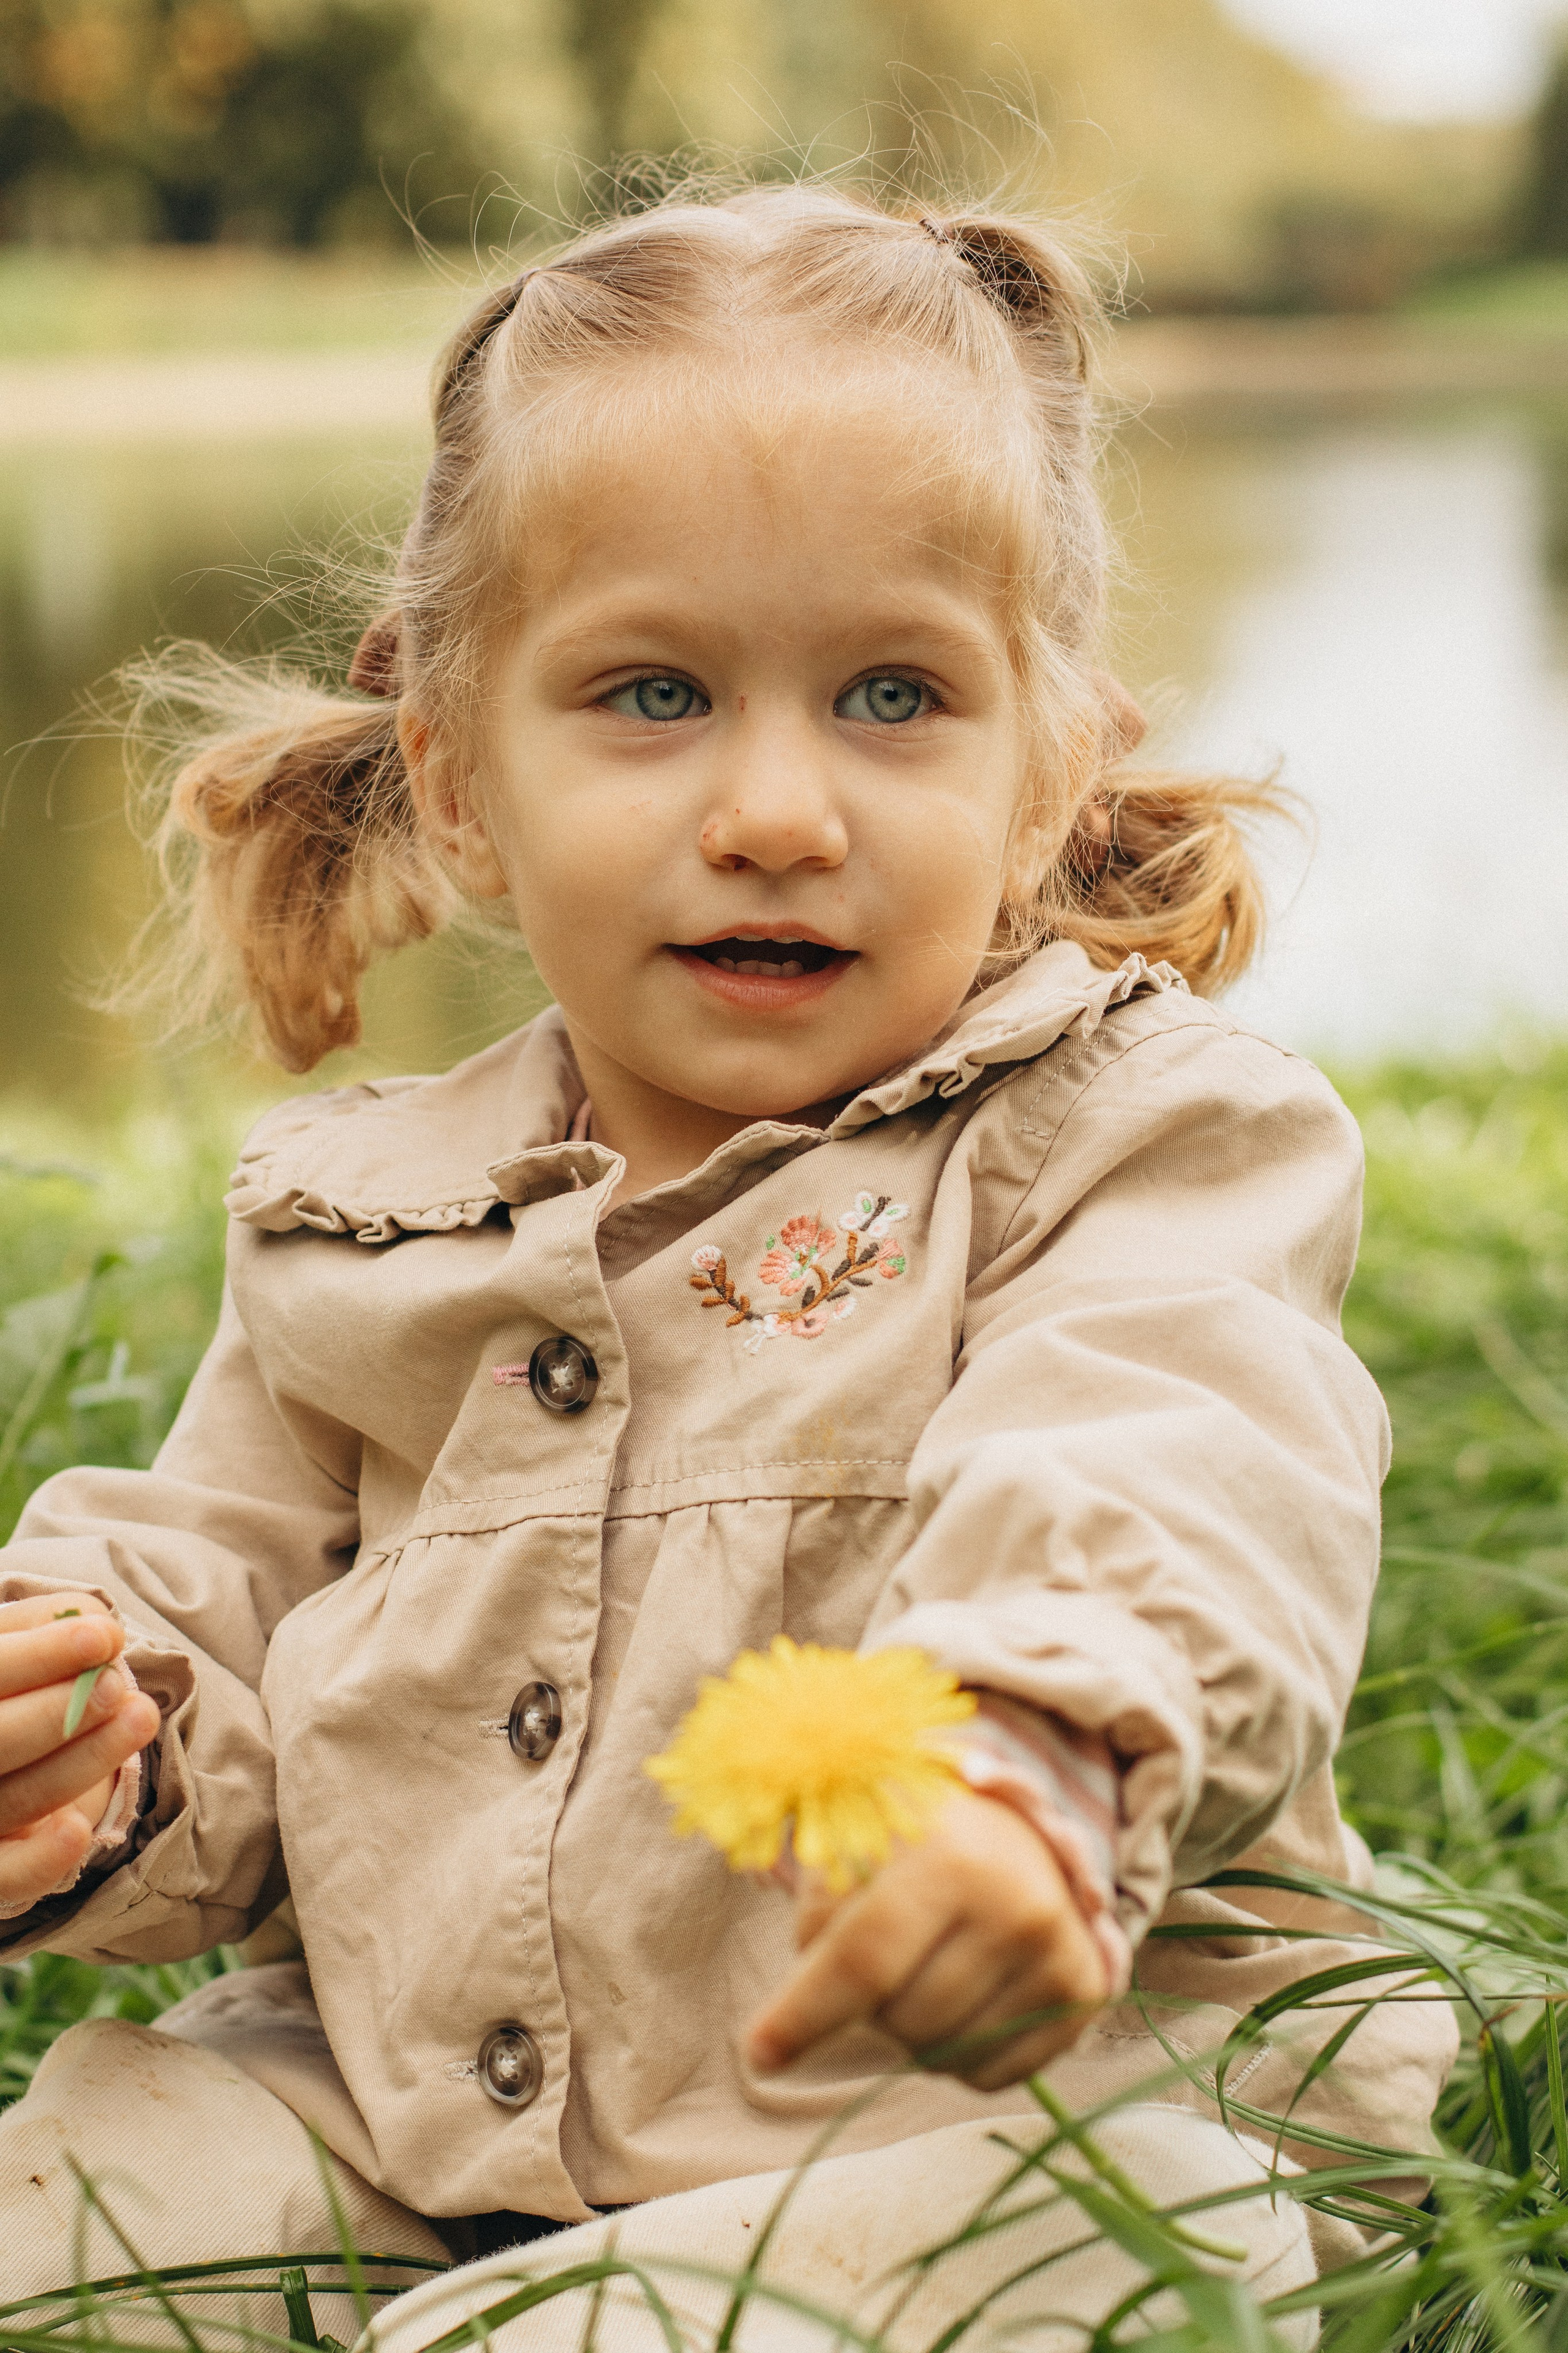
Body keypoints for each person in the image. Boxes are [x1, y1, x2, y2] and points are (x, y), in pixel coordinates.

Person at [0, 181, 1453, 2346]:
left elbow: (1173, 1448)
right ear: (463, 783)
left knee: (1154, 2214)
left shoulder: (1146, 1136)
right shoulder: (360, 1216)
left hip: (981, 2114)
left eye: (893, 694)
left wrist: (1036, 1747)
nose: (778, 806)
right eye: (655, 693)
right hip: (429, 2132)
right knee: (92, 2203)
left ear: (1050, 767)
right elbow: (217, 1619)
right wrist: (91, 1742)